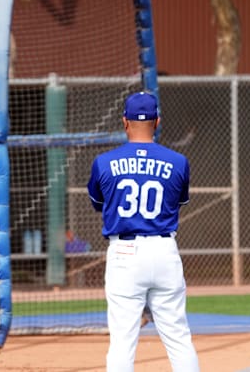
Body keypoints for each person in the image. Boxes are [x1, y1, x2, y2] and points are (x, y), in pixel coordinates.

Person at [87, 92, 199, 372]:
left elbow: (98, 204)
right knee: (178, 338)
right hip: (164, 250)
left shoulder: (104, 162)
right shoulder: (178, 161)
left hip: (124, 252)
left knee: (123, 341)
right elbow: (178, 203)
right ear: (157, 121)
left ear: (124, 121)